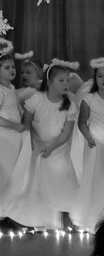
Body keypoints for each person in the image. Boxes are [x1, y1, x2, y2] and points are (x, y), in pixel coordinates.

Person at [6, 60, 79, 230]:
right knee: (36, 184)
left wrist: (52, 147)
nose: (66, 84)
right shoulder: (36, 99)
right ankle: (33, 219)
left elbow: (66, 132)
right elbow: (27, 122)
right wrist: (30, 143)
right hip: (37, 148)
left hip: (58, 150)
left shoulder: (69, 105)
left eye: (67, 81)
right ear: (50, 82)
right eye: (61, 80)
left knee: (62, 183)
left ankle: (64, 218)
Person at [0, 53, 32, 196]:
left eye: (13, 67)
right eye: (7, 67)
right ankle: (0, 198)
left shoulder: (11, 87)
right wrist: (14, 125)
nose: (12, 70)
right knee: (4, 169)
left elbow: (14, 108)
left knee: (12, 168)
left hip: (12, 134)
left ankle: (11, 198)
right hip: (1, 137)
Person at [70, 60, 104, 231]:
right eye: (100, 76)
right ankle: (91, 217)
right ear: (95, 78)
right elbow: (82, 123)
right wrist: (89, 138)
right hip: (95, 145)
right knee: (94, 181)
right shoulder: (89, 99)